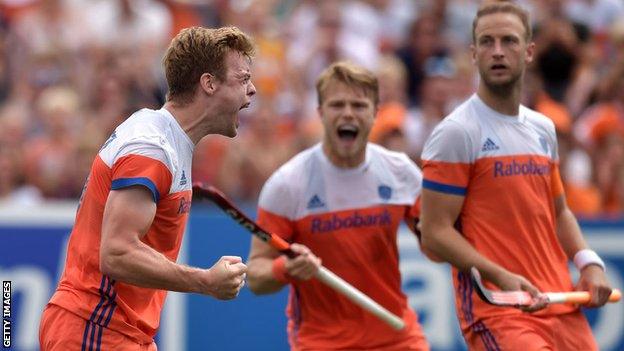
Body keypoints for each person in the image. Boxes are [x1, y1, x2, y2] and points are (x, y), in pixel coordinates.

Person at [39, 26, 256, 350]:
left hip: (120, 333)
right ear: (209, 83)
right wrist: (205, 281)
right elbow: (117, 253)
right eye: (242, 79)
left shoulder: (163, 137)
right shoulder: (151, 148)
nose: (252, 90)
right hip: (94, 328)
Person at [419, 2, 613, 350]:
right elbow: (434, 234)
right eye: (487, 42)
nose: (497, 51)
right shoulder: (456, 132)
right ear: (474, 53)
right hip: (500, 310)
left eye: (508, 41)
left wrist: (589, 262)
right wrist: (500, 277)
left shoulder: (543, 128)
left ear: (528, 52)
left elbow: (559, 212)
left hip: (557, 301)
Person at [247, 61, 430, 350]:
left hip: (396, 334)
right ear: (320, 113)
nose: (348, 113)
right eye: (337, 105)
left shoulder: (401, 173)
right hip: (322, 341)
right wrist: (287, 268)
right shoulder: (288, 184)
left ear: (375, 114)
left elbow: (436, 240)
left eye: (358, 105)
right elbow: (256, 275)